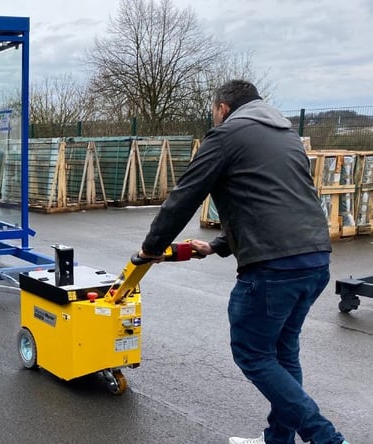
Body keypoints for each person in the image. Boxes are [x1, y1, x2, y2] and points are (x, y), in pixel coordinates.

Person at [137, 80, 348, 444]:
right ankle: (278, 440)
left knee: (253, 354)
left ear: (221, 108)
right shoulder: (285, 135)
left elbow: (185, 196)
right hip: (315, 260)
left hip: (272, 270)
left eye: (212, 111)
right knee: (282, 353)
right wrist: (217, 246)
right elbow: (273, 206)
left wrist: (151, 248)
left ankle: (327, 439)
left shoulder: (225, 135)